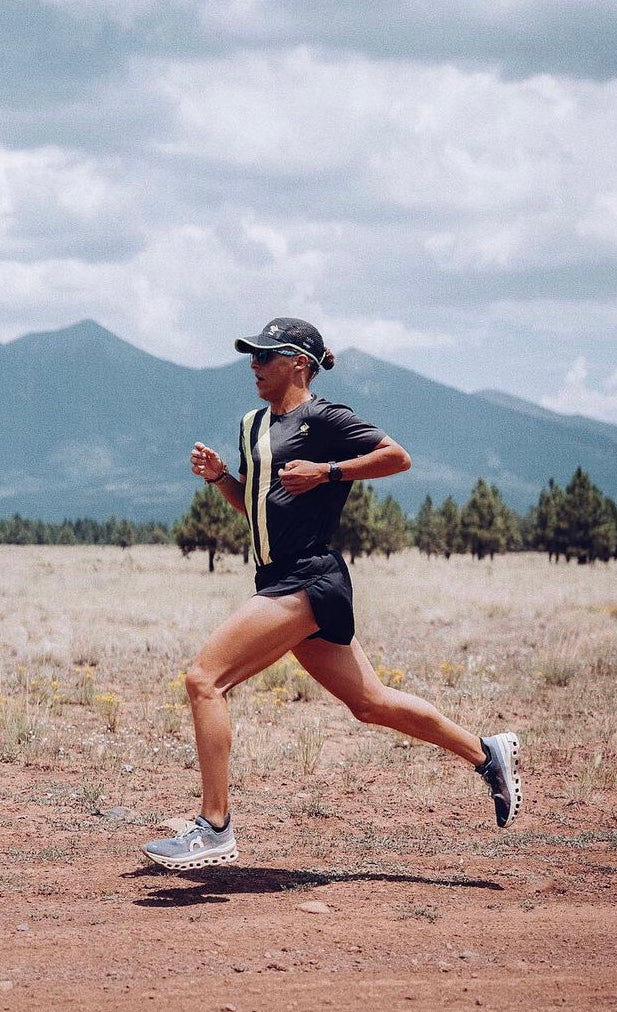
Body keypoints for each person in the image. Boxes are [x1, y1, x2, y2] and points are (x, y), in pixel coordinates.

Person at [142, 318, 522, 870]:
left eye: (265, 356)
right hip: (277, 578)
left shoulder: (325, 418)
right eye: (251, 356)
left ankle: (215, 827)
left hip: (309, 577)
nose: (253, 364)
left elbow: (398, 456)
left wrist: (328, 471)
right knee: (369, 703)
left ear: (299, 363)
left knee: (205, 679)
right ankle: (486, 754)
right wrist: (221, 478)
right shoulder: (252, 427)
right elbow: (258, 510)